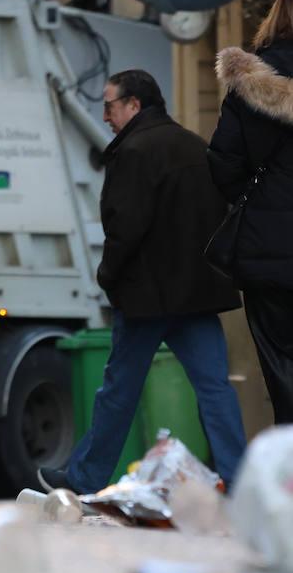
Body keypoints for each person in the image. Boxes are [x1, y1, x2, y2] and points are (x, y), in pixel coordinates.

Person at [38, 70, 246, 494]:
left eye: (111, 105)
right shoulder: (194, 146)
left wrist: (108, 276)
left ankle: (83, 479)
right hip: (198, 296)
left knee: (118, 393)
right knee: (215, 390)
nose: (106, 115)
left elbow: (124, 228)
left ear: (134, 105)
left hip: (147, 299)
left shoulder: (133, 151)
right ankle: (242, 483)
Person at [211, 0, 293, 424]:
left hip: (266, 252)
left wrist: (253, 200)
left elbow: (224, 159)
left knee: (281, 367)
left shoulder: (248, 84)